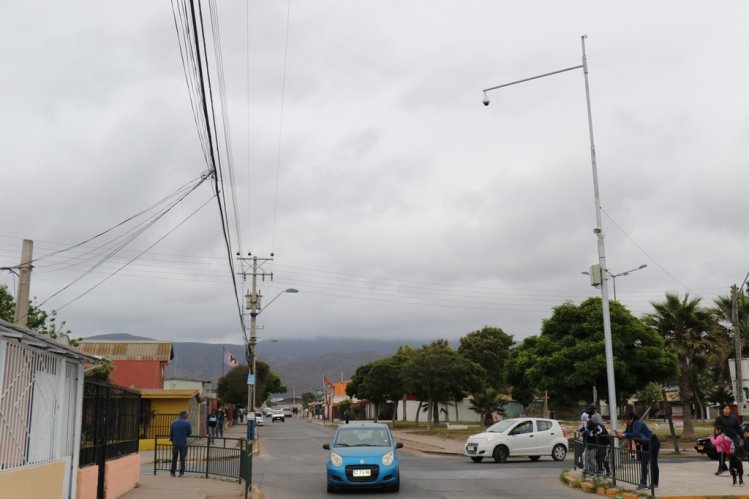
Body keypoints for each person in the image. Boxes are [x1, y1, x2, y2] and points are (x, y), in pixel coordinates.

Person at [615, 411, 660, 490]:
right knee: (643, 464)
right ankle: (643, 483)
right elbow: (626, 433)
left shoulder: (637, 423)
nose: (626, 422)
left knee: (653, 464)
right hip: (645, 445)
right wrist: (620, 435)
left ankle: (654, 483)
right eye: (625, 420)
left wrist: (623, 435)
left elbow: (635, 433)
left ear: (632, 419)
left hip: (653, 443)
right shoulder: (629, 425)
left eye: (627, 420)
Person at [170, 411, 192, 477]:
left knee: (174, 458)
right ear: (185, 415)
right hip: (183, 443)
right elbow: (189, 433)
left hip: (175, 443)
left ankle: (172, 472)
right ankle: (181, 473)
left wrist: (172, 440)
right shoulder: (187, 423)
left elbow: (171, 433)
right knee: (182, 458)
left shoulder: (174, 422)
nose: (187, 417)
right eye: (187, 415)